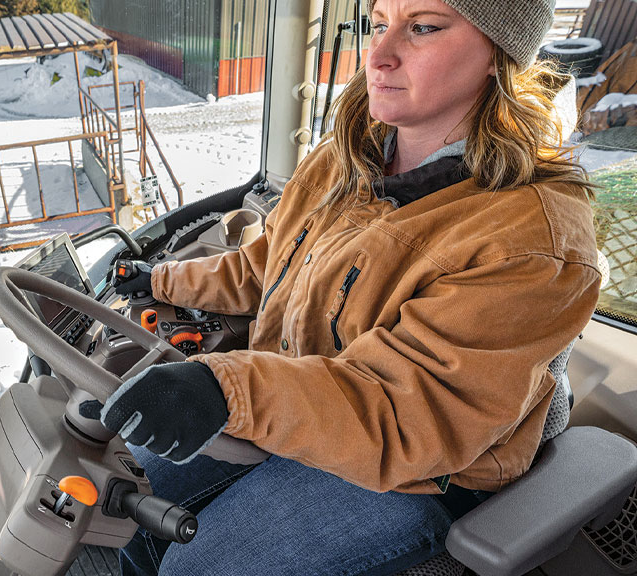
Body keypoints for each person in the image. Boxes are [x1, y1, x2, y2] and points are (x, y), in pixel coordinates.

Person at [82, 0, 602, 574]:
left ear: (499, 54)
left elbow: (410, 415)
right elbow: (267, 266)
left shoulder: (530, 239)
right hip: (300, 402)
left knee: (194, 569)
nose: (378, 56)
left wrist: (227, 389)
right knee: (124, 487)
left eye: (423, 27)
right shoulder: (343, 159)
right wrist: (160, 279)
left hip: (421, 470)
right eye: (378, 24)